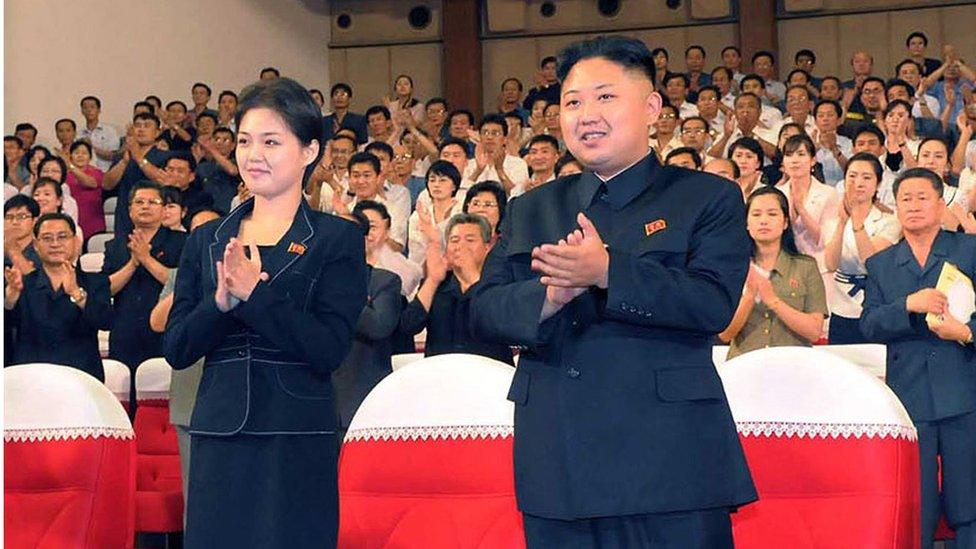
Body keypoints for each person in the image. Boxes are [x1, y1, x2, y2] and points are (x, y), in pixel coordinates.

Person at [470, 35, 756, 547]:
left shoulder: (706, 197)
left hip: (670, 461)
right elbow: (485, 310)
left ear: (650, 109)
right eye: (572, 102)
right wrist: (549, 298)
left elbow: (711, 303)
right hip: (559, 459)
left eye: (605, 97)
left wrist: (607, 272)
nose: (586, 115)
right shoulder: (531, 208)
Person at [163, 77, 367, 548]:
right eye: (244, 141)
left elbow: (328, 348)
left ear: (310, 150)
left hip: (295, 435)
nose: (254, 154)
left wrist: (255, 294)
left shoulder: (337, 239)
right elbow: (177, 348)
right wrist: (220, 304)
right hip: (218, 432)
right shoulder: (206, 239)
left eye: (271, 141)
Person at [860, 167, 976, 548]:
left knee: (969, 502)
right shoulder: (880, 264)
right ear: (896, 208)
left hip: (965, 393)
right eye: (905, 199)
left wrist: (965, 332)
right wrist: (907, 305)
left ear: (941, 204)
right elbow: (869, 325)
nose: (913, 206)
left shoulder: (969, 250)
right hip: (909, 400)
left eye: (922, 197)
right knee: (917, 504)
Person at [148, 206, 221, 522]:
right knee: (197, 498)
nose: (203, 238)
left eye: (210, 229)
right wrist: (189, 283)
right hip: (190, 396)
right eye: (196, 232)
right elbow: (157, 322)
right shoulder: (180, 276)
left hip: (234, 395)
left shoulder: (248, 271)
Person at [719, 186, 827, 358]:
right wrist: (749, 297)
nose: (763, 220)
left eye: (772, 214)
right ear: (746, 223)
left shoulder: (805, 267)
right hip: (744, 366)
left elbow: (814, 331)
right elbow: (724, 334)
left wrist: (773, 301)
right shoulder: (732, 267)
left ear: (785, 222)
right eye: (756, 214)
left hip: (793, 367)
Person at [4, 213, 112, 380]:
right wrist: (10, 300)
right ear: (36, 245)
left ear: (76, 242)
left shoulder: (95, 282)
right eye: (47, 238)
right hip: (31, 379)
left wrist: (77, 293)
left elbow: (106, 321)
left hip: (82, 377)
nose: (55, 244)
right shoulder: (21, 284)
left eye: (62, 237)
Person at [104, 180, 186, 387]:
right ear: (130, 210)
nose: (145, 206)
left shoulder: (182, 242)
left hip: (165, 330)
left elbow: (182, 283)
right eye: (139, 202)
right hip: (125, 331)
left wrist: (146, 259)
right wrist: (133, 262)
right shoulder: (115, 246)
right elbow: (106, 289)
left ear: (163, 210)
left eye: (153, 202)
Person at [402, 213, 513, 364]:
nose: (460, 246)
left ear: (488, 247)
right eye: (454, 240)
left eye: (470, 240)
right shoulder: (437, 284)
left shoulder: (501, 281)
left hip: (489, 374)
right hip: (441, 375)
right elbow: (409, 326)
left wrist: (472, 277)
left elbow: (503, 326)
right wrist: (432, 280)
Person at [332, 209, 403, 433]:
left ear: (364, 241)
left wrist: (339, 290)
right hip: (314, 401)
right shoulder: (307, 282)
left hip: (362, 403)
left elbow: (379, 325)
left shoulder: (384, 281)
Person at [823, 153, 901, 343]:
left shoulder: (889, 221)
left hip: (875, 306)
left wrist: (857, 219)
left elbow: (872, 262)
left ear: (878, 184)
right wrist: (842, 222)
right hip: (841, 307)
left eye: (866, 177)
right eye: (852, 176)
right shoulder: (833, 221)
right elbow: (831, 264)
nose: (858, 182)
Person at [102, 112, 169, 236]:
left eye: (147, 125)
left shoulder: (164, 156)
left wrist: (138, 156)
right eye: (137, 125)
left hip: (153, 215)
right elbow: (106, 184)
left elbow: (162, 180)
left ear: (157, 132)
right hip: (125, 214)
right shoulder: (123, 157)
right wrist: (124, 162)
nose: (141, 129)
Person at [64, 140, 106, 239]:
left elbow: (91, 183)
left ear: (90, 157)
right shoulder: (65, 176)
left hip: (94, 225)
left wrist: (70, 166)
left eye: (84, 153)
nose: (80, 156)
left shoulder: (97, 173)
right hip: (72, 223)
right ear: (71, 156)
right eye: (76, 153)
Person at [78, 96, 120, 172]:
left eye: (92, 107)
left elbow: (114, 156)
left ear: (99, 110)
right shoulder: (78, 134)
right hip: (85, 175)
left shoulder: (109, 130)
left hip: (106, 173)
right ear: (82, 111)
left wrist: (91, 148)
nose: (89, 110)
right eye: (85, 108)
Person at [4, 195, 41, 272]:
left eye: (21, 216)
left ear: (35, 220)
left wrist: (13, 252)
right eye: (9, 217)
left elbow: (39, 282)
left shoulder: (42, 252)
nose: (15, 222)